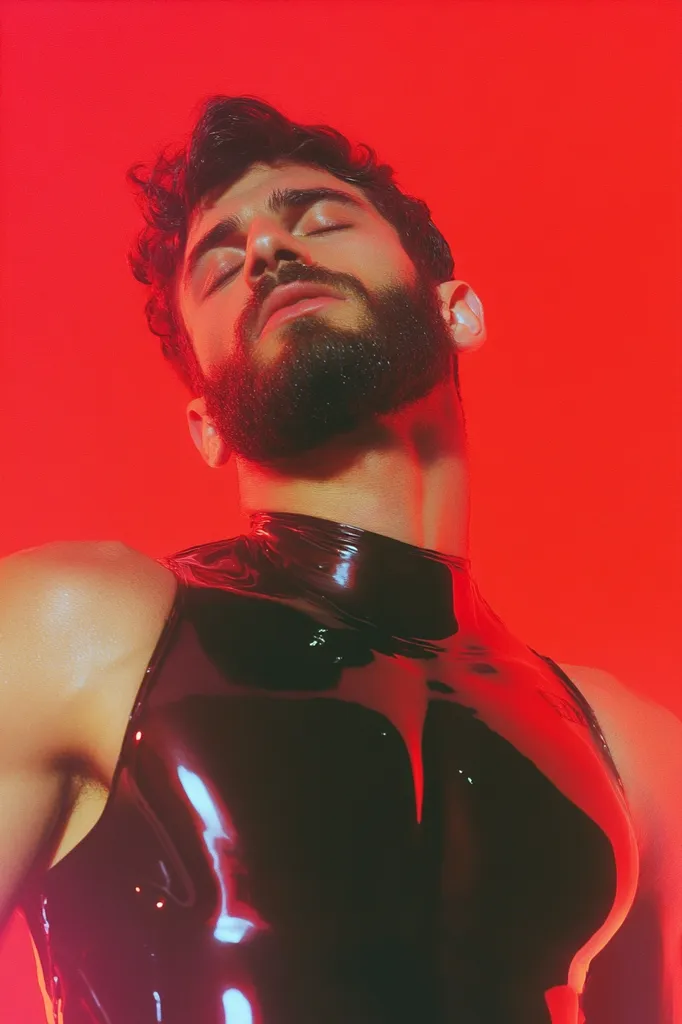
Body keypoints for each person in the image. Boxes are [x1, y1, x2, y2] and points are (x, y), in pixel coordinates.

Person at [0, 96, 678, 1024]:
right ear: (204, 423)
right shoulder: (73, 629)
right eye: (221, 265)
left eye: (320, 220)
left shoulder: (634, 753)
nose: (270, 253)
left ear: (459, 311)